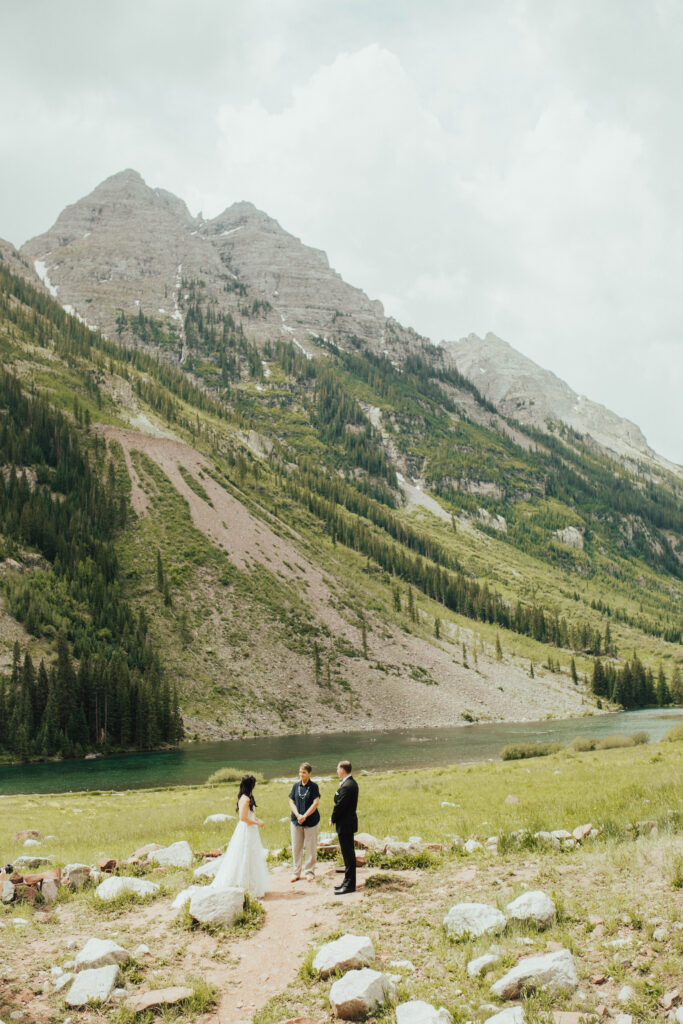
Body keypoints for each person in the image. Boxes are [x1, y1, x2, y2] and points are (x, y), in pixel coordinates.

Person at [211, 774, 270, 898]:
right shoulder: (245, 799)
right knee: (245, 854)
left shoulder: (246, 797)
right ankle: (244, 885)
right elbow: (243, 818)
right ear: (251, 785)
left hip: (250, 828)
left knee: (251, 855)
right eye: (255, 782)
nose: (256, 784)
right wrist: (257, 823)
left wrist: (257, 820)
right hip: (247, 829)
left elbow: (250, 815)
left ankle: (251, 883)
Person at [288, 761, 321, 882]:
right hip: (296, 821)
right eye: (300, 772)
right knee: (296, 847)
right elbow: (291, 801)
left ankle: (310, 871)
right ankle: (296, 872)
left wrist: (305, 816)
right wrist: (298, 815)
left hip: (311, 821)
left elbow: (315, 803)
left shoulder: (314, 787)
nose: (301, 774)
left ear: (309, 773)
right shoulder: (295, 786)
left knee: (310, 847)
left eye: (304, 772)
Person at [330, 759, 358, 894]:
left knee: (348, 855)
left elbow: (339, 804)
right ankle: (347, 881)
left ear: (342, 769)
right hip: (346, 823)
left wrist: (332, 818)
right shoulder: (348, 783)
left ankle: (350, 884)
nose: (336, 770)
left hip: (345, 823)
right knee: (347, 854)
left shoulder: (347, 785)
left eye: (337, 768)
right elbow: (338, 799)